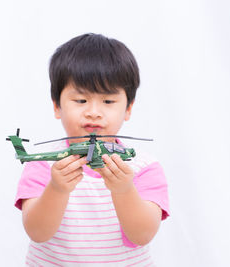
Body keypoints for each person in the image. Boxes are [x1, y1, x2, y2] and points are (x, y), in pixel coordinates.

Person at [15, 33, 170, 266]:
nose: (94, 112)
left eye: (108, 102)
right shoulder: (44, 167)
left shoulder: (144, 168)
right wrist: (57, 188)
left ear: (128, 108)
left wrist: (123, 189)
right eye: (80, 101)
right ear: (57, 106)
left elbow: (143, 235)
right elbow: (37, 232)